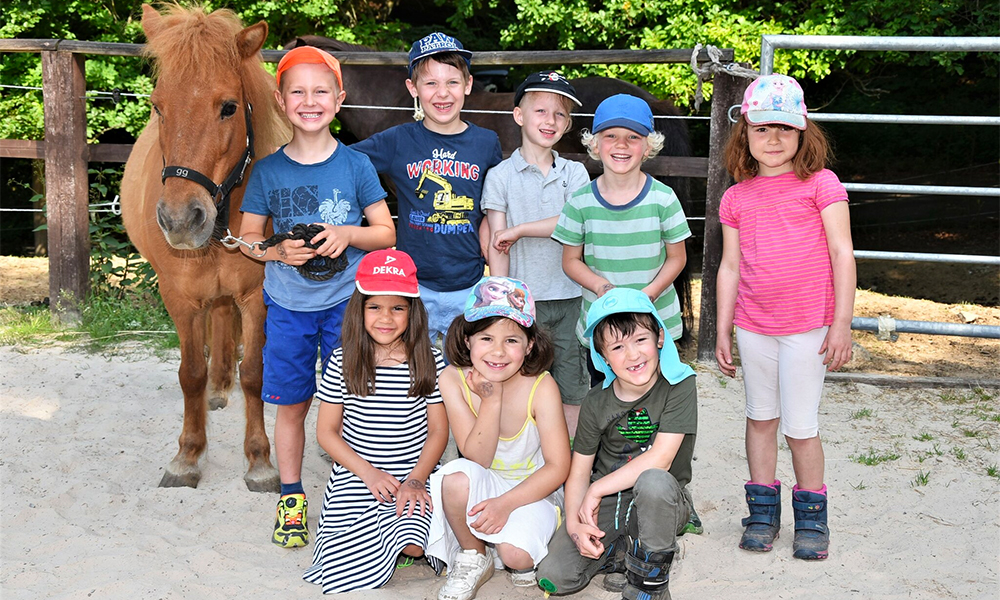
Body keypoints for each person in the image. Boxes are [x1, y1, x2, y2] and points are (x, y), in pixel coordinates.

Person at [238, 46, 396, 548]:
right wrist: (277, 250)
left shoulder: (355, 165)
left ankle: (352, 493)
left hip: (349, 308)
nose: (310, 101)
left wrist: (347, 233)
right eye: (298, 92)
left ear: (339, 99)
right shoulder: (266, 171)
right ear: (281, 102)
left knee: (355, 400)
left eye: (321, 91)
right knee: (292, 403)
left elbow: (386, 234)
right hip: (287, 309)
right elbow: (247, 242)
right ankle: (291, 495)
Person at [715, 73, 856, 560]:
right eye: (762, 129)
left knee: (800, 426)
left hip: (808, 329)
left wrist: (841, 323)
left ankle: (812, 521)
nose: (773, 140)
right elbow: (729, 266)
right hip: (754, 327)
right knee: (760, 419)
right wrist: (722, 326)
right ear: (745, 133)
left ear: (802, 133)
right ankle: (761, 514)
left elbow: (842, 254)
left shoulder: (821, 184)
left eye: (785, 129)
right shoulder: (736, 196)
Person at [536, 288, 698, 600]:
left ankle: (648, 584)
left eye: (641, 340)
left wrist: (596, 490)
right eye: (618, 347)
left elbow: (661, 458)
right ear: (602, 356)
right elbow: (580, 471)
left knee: (653, 483)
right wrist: (574, 525)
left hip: (661, 499)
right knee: (555, 577)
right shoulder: (595, 401)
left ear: (659, 339)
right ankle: (621, 552)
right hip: (611, 502)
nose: (633, 355)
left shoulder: (680, 384)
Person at [303, 249, 449, 592]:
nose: (386, 317)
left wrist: (415, 480)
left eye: (397, 307)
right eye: (375, 307)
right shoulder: (342, 361)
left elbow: (439, 432)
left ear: (412, 312)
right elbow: (326, 433)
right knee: (341, 558)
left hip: (415, 472)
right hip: (358, 473)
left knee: (413, 544)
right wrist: (368, 473)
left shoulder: (430, 361)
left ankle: (395, 542)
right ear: (360, 310)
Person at [353, 32, 504, 345]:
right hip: (414, 286)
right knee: (417, 374)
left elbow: (495, 203)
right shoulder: (396, 141)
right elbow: (344, 161)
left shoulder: (487, 143)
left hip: (469, 283)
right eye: (430, 83)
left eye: (451, 82)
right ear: (413, 88)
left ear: (468, 84)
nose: (442, 93)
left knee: (465, 372)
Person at [426, 276, 571, 600]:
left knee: (515, 556)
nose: (497, 352)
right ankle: (474, 554)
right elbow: (477, 459)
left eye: (512, 341)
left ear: (530, 344)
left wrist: (506, 505)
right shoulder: (452, 378)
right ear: (467, 340)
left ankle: (509, 551)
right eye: (486, 338)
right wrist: (491, 400)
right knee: (453, 477)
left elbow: (559, 467)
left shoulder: (541, 384)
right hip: (484, 480)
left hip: (535, 491)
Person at [483, 71, 592, 433]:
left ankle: (571, 463)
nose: (550, 121)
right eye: (541, 111)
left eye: (560, 115)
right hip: (522, 301)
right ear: (519, 115)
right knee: (522, 379)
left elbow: (571, 222)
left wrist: (520, 230)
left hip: (571, 296)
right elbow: (497, 242)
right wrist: (502, 302)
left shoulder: (574, 173)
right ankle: (525, 460)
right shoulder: (500, 176)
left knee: (572, 386)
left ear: (568, 124)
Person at [551, 94, 691, 362]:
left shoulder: (664, 199)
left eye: (633, 137)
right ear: (594, 144)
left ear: (648, 147)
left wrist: (649, 294)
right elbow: (570, 261)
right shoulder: (580, 201)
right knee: (606, 397)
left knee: (656, 399)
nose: (622, 145)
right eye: (611, 136)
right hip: (602, 325)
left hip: (657, 324)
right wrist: (600, 286)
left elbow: (677, 257)